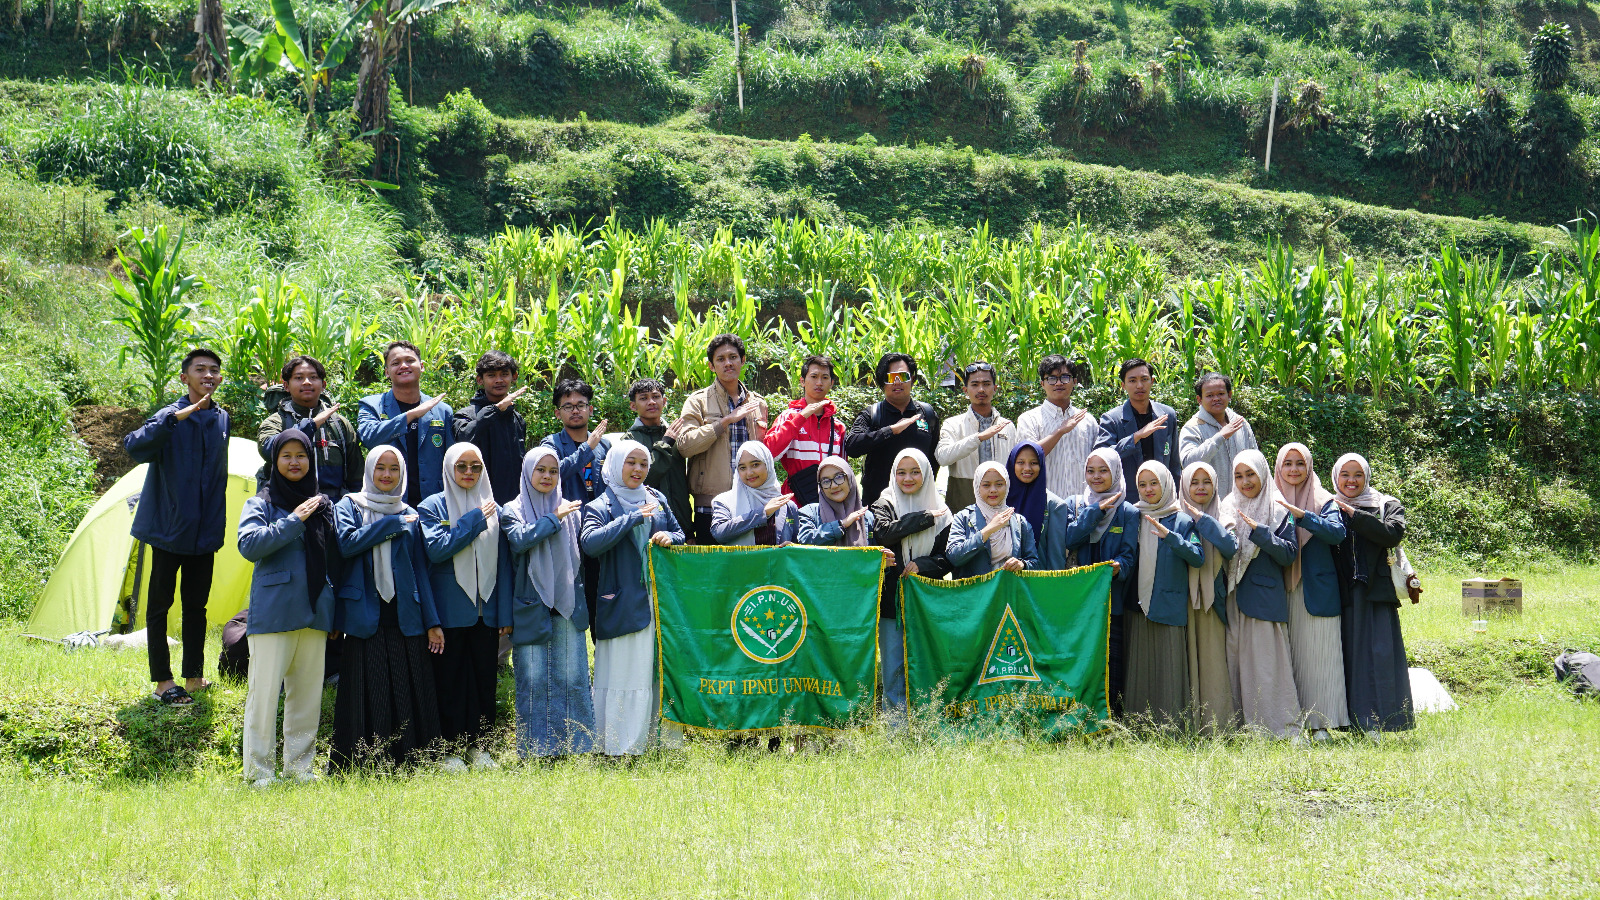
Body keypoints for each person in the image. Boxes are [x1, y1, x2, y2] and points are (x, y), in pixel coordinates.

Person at [123, 347, 230, 706]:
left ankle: (194, 677)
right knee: (159, 606)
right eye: (200, 369)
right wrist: (173, 419)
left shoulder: (222, 418)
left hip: (205, 532)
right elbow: (134, 447)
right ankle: (163, 682)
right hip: (169, 530)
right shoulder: (170, 415)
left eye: (214, 370)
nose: (208, 375)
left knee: (196, 607)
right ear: (185, 378)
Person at [330, 445, 444, 771]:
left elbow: (421, 568)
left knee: (409, 687)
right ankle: (364, 763)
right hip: (364, 611)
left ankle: (409, 760)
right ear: (369, 470)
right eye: (380, 467)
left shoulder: (409, 511)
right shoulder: (350, 505)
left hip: (405, 611)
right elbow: (347, 543)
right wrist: (392, 523)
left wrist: (432, 620)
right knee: (368, 687)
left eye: (394, 469)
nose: (386, 475)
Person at [238, 430, 337, 786]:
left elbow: (332, 559)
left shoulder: (323, 504)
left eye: (302, 455)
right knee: (263, 698)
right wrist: (294, 520)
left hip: (316, 612)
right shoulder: (262, 502)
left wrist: (333, 609)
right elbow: (249, 545)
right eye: (286, 456)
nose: (294, 462)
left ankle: (299, 769)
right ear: (275, 462)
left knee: (307, 698)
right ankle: (258, 774)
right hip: (274, 612)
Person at [580, 440, 686, 756]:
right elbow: (590, 543)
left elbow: (680, 533)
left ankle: (657, 744)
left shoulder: (657, 498)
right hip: (622, 601)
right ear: (615, 465)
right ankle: (621, 746)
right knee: (627, 670)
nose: (638, 469)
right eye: (631, 462)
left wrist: (670, 537)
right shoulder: (600, 505)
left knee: (655, 670)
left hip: (659, 600)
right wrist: (632, 519)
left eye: (643, 464)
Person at [418, 444, 513, 770]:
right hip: (449, 612)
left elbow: (503, 563)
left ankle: (480, 747)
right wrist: (474, 519)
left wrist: (503, 611)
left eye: (476, 466)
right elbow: (437, 550)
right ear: (449, 469)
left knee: (484, 681)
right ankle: (450, 749)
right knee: (450, 681)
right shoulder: (432, 506)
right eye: (462, 466)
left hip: (486, 611)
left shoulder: (493, 506)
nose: (470, 473)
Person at [503, 447, 595, 758]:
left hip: (567, 604)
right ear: (528, 473)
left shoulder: (572, 511)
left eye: (553, 471)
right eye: (540, 470)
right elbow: (521, 540)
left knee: (572, 677)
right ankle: (536, 750)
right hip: (530, 605)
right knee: (533, 678)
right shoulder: (512, 510)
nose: (546, 476)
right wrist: (553, 519)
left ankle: (577, 746)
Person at [1329, 453, 1414, 735]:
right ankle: (1353, 722)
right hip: (1342, 594)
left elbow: (1392, 534)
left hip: (1375, 593)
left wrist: (1355, 515)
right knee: (1348, 657)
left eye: (1357, 475)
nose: (1351, 481)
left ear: (1366, 476)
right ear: (1336, 477)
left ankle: (1384, 720)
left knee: (1380, 656)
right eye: (1345, 474)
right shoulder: (1326, 505)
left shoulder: (1385, 504)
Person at [1220, 450, 1301, 739]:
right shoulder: (1227, 506)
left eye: (1250, 474)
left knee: (1268, 667)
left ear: (1263, 474)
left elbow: (1289, 555)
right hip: (1232, 597)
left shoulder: (1278, 509)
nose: (1245, 481)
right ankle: (1242, 728)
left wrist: (1261, 533)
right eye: (1239, 476)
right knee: (1235, 663)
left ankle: (1279, 729)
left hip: (1264, 601)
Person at [1273, 443, 1350, 741]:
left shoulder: (1323, 498)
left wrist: (1304, 516)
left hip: (1317, 590)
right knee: (1290, 660)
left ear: (1309, 467)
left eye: (1299, 464)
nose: (1293, 470)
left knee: (1321, 658)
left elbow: (1336, 532)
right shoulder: (1271, 498)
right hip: (1282, 589)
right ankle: (1292, 724)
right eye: (1287, 464)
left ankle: (1321, 725)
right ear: (1278, 467)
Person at [867, 449, 951, 713]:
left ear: (926, 473)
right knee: (892, 663)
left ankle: (928, 716)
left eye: (915, 471)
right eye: (901, 472)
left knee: (926, 660)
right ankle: (896, 723)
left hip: (926, 599)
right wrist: (923, 519)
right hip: (891, 598)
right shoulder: (885, 503)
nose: (908, 478)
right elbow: (884, 534)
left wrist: (923, 565)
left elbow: (948, 557)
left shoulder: (943, 511)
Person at [1125, 461, 1203, 728]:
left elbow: (1197, 557)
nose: (1148, 490)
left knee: (1169, 669)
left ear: (1166, 483)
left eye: (1153, 483)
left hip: (1168, 605)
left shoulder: (1181, 519)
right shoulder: (1132, 516)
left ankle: (1171, 728)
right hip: (1138, 606)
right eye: (1142, 484)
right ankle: (1139, 728)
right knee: (1141, 668)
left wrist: (1171, 537)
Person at [1063, 448, 1139, 713]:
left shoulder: (1128, 511)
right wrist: (1094, 511)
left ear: (1116, 471)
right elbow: (1070, 539)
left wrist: (1120, 567)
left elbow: (1129, 556)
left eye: (1103, 470)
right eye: (1090, 470)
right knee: (1079, 658)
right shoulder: (1075, 503)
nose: (1096, 476)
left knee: (1110, 661)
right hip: (1078, 600)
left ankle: (1110, 719)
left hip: (1110, 599)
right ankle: (1077, 714)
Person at [675, 334, 768, 543]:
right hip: (710, 504)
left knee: (748, 569)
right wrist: (725, 421)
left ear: (743, 361)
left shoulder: (758, 404)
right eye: (720, 359)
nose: (728, 363)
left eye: (733, 357)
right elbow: (685, 445)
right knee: (713, 571)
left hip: (752, 501)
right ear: (711, 366)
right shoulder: (697, 401)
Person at [542, 378, 610, 629]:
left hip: (598, 531)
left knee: (599, 597)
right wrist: (586, 449)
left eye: (581, 404)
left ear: (590, 409)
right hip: (566, 531)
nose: (575, 410)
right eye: (568, 406)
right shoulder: (551, 444)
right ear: (558, 412)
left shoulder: (605, 445)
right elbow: (554, 474)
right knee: (569, 597)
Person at [1178, 461, 1238, 735]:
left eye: (1206, 482)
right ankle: (1186, 724)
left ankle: (1218, 725)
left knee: (1213, 661)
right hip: (1182, 599)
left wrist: (1204, 521)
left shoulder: (1224, 512)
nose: (1200, 488)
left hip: (1214, 598)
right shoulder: (1173, 514)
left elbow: (1229, 547)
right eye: (1194, 482)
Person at [357, 341, 454, 507]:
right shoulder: (371, 405)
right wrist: (410, 415)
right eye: (395, 363)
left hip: (434, 503)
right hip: (387, 501)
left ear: (421, 366)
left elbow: (451, 460)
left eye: (410, 361)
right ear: (387, 372)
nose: (403, 366)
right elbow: (370, 438)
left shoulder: (442, 410)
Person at [258, 355, 363, 501]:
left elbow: (356, 475)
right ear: (286, 386)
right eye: (299, 378)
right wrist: (311, 425)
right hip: (287, 507)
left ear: (323, 384)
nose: (307, 382)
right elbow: (269, 450)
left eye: (313, 377)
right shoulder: (275, 422)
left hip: (334, 509)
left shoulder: (340, 424)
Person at [846, 353, 942, 503]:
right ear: (882, 382)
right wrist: (891, 430)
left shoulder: (927, 414)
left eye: (903, 376)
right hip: (878, 505)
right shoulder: (872, 414)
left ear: (913, 379)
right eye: (890, 378)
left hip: (919, 503)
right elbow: (852, 446)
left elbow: (934, 458)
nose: (897, 382)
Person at [1017, 355, 1109, 499]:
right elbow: (1028, 458)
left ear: (1074, 382)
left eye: (1065, 377)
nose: (1058, 383)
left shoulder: (1088, 421)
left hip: (1084, 505)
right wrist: (1060, 431)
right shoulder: (1029, 419)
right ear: (1042, 384)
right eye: (1052, 378)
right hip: (1045, 505)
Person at [763, 354, 846, 507]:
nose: (819, 382)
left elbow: (843, 470)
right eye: (814, 376)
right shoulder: (788, 416)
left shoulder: (838, 426)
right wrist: (802, 417)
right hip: (795, 503)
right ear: (802, 381)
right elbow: (768, 453)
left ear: (832, 383)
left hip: (830, 505)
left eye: (825, 377)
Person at [936, 361, 1016, 513]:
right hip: (963, 501)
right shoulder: (953, 424)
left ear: (995, 388)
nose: (981, 389)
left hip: (1002, 504)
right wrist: (978, 438)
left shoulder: (1007, 426)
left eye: (986, 384)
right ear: (965, 390)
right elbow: (942, 457)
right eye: (975, 384)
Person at [453, 351, 529, 505]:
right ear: (480, 380)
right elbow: (464, 439)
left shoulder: (517, 419)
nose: (499, 380)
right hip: (477, 504)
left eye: (504, 374)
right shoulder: (465, 415)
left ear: (514, 377)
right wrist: (495, 410)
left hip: (514, 505)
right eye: (491, 375)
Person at [944, 461, 1038, 578]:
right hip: (975, 593)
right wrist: (987, 531)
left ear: (1007, 485)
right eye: (986, 485)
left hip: (1008, 591)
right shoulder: (963, 518)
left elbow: (1034, 562)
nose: (993, 490)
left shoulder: (1019, 521)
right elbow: (954, 557)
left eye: (999, 484)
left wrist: (1022, 564)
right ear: (977, 486)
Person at [1100, 359, 1181, 489]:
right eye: (1132, 381)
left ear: (1152, 381)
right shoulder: (1112, 419)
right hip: (1127, 499)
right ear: (1123, 385)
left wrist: (1177, 495)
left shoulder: (1167, 415)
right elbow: (1102, 458)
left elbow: (1174, 463)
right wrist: (1136, 437)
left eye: (1144, 379)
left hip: (1162, 497)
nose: (1139, 385)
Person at [626, 378, 693, 533]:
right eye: (643, 398)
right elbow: (646, 477)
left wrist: (689, 529)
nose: (651, 402)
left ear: (664, 401)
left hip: (682, 524)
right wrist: (665, 443)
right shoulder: (630, 440)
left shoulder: (677, 434)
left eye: (655, 397)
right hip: (648, 524)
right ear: (633, 406)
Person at [796, 457, 890, 566]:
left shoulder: (867, 517)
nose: (834, 485)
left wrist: (881, 563)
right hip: (820, 582)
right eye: (826, 481)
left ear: (849, 478)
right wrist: (842, 524)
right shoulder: (810, 512)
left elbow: (872, 565)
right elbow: (804, 543)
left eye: (839, 477)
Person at [1006, 441, 1084, 571]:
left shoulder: (1054, 505)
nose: (1027, 468)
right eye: (1020, 462)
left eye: (1034, 463)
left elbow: (1056, 556)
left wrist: (1053, 586)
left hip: (1037, 583)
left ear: (1041, 465)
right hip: (1003, 582)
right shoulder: (1000, 499)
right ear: (1012, 463)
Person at [1179, 373, 1258, 500]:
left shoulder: (1240, 423)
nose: (1216, 399)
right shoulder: (1192, 428)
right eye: (1209, 395)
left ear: (1229, 395)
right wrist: (1219, 437)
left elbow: (1257, 462)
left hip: (1242, 502)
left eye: (1221, 394)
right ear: (1199, 399)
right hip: (1208, 504)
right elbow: (1188, 463)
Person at [711, 442, 799, 546]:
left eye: (755, 465)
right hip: (740, 562)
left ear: (768, 464)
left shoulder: (787, 506)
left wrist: (793, 546)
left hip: (778, 562)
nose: (749, 473)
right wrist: (762, 513)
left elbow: (797, 545)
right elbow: (719, 533)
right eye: (742, 468)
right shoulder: (724, 501)